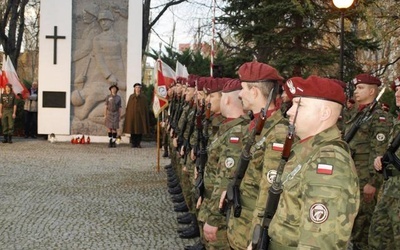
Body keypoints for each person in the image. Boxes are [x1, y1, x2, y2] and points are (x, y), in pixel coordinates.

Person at [268, 75, 360, 249]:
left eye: (299, 105)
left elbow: (319, 241)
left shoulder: (328, 160)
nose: (289, 111)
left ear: (324, 113)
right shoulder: (306, 151)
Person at [220, 61, 288, 250]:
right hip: (242, 218)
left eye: (243, 89)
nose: (240, 94)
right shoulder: (257, 125)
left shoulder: (278, 132)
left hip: (252, 226)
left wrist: (257, 235)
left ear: (255, 92)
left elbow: (269, 190)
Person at [344, 74, 392, 250]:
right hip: (352, 177)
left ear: (372, 91)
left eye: (360, 88)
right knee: (352, 225)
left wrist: (373, 182)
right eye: (356, 88)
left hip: (365, 180)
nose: (356, 91)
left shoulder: (379, 117)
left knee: (363, 228)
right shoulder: (358, 114)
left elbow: (380, 152)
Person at [201, 78, 249, 249]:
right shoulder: (228, 128)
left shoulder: (236, 133)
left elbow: (225, 180)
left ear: (227, 99)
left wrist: (213, 217)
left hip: (222, 216)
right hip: (213, 204)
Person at [369, 76, 400, 249]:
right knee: (378, 237)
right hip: (390, 189)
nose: (398, 93)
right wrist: (380, 159)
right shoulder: (397, 121)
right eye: (397, 88)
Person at [123, 83, 150, 148]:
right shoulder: (131, 97)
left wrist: (143, 115)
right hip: (133, 116)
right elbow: (129, 107)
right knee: (132, 129)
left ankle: (138, 143)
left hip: (140, 117)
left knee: (139, 130)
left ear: (140, 89)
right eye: (136, 87)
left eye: (139, 87)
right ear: (134, 89)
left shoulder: (143, 97)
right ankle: (133, 143)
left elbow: (145, 108)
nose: (138, 89)